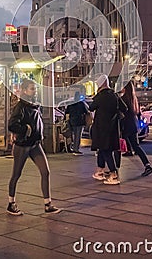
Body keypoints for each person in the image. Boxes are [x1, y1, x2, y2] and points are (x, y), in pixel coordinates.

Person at [7, 79, 61, 215]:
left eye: (35, 88)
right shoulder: (20, 107)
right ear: (25, 91)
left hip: (35, 144)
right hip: (23, 145)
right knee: (16, 174)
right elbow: (12, 125)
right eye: (32, 88)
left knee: (45, 171)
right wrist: (25, 128)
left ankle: (47, 203)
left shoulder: (35, 104)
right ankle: (11, 203)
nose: (35, 90)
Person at [89, 74, 127, 185]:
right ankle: (100, 171)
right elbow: (124, 108)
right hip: (113, 128)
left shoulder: (100, 96)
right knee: (103, 149)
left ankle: (113, 174)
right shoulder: (114, 96)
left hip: (101, 128)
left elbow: (91, 107)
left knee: (106, 151)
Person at [120, 81, 152, 177]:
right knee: (136, 146)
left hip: (126, 126)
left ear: (125, 88)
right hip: (133, 125)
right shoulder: (133, 99)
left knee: (118, 146)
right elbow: (138, 113)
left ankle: (112, 170)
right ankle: (147, 165)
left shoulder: (123, 99)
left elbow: (121, 112)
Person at [65, 91, 90, 155]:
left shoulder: (71, 104)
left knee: (73, 135)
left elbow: (67, 112)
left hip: (72, 121)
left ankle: (73, 147)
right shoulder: (81, 104)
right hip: (79, 121)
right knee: (78, 135)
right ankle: (76, 149)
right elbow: (86, 111)